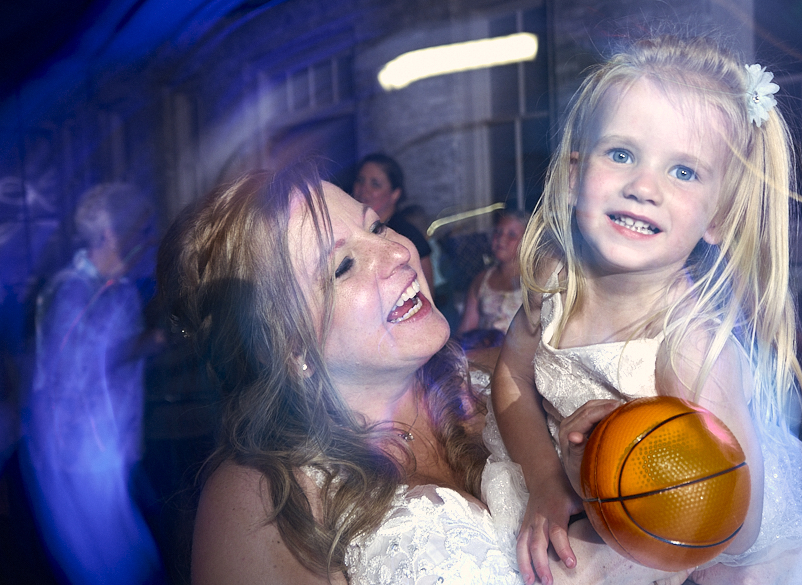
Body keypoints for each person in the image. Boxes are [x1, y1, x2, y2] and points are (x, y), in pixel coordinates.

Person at [163, 165, 693, 585]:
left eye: (376, 226)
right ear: (288, 348)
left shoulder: (507, 382)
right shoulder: (262, 496)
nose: (397, 252)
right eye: (343, 266)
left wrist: (604, 475)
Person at [486, 34, 802, 585]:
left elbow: (738, 525)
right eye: (621, 154)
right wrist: (547, 478)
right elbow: (512, 376)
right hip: (562, 477)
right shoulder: (553, 281)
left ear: (717, 220)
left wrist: (610, 464)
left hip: (670, 534)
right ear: (575, 177)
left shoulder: (691, 346)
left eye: (683, 171)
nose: (644, 186)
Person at [26, 182, 163, 584]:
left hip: (116, 458)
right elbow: (75, 371)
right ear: (108, 235)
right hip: (79, 465)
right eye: (140, 230)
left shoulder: (121, 290)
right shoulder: (70, 289)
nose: (148, 239)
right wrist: (150, 342)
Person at [352, 152, 435, 289]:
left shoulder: (407, 235)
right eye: (360, 180)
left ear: (395, 194)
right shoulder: (352, 229)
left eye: (375, 184)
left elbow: (427, 292)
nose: (363, 190)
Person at [458, 210, 528, 336]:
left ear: (528, 242)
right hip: (485, 353)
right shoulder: (481, 280)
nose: (501, 239)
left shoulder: (536, 281)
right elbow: (466, 330)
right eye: (498, 232)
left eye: (511, 235)